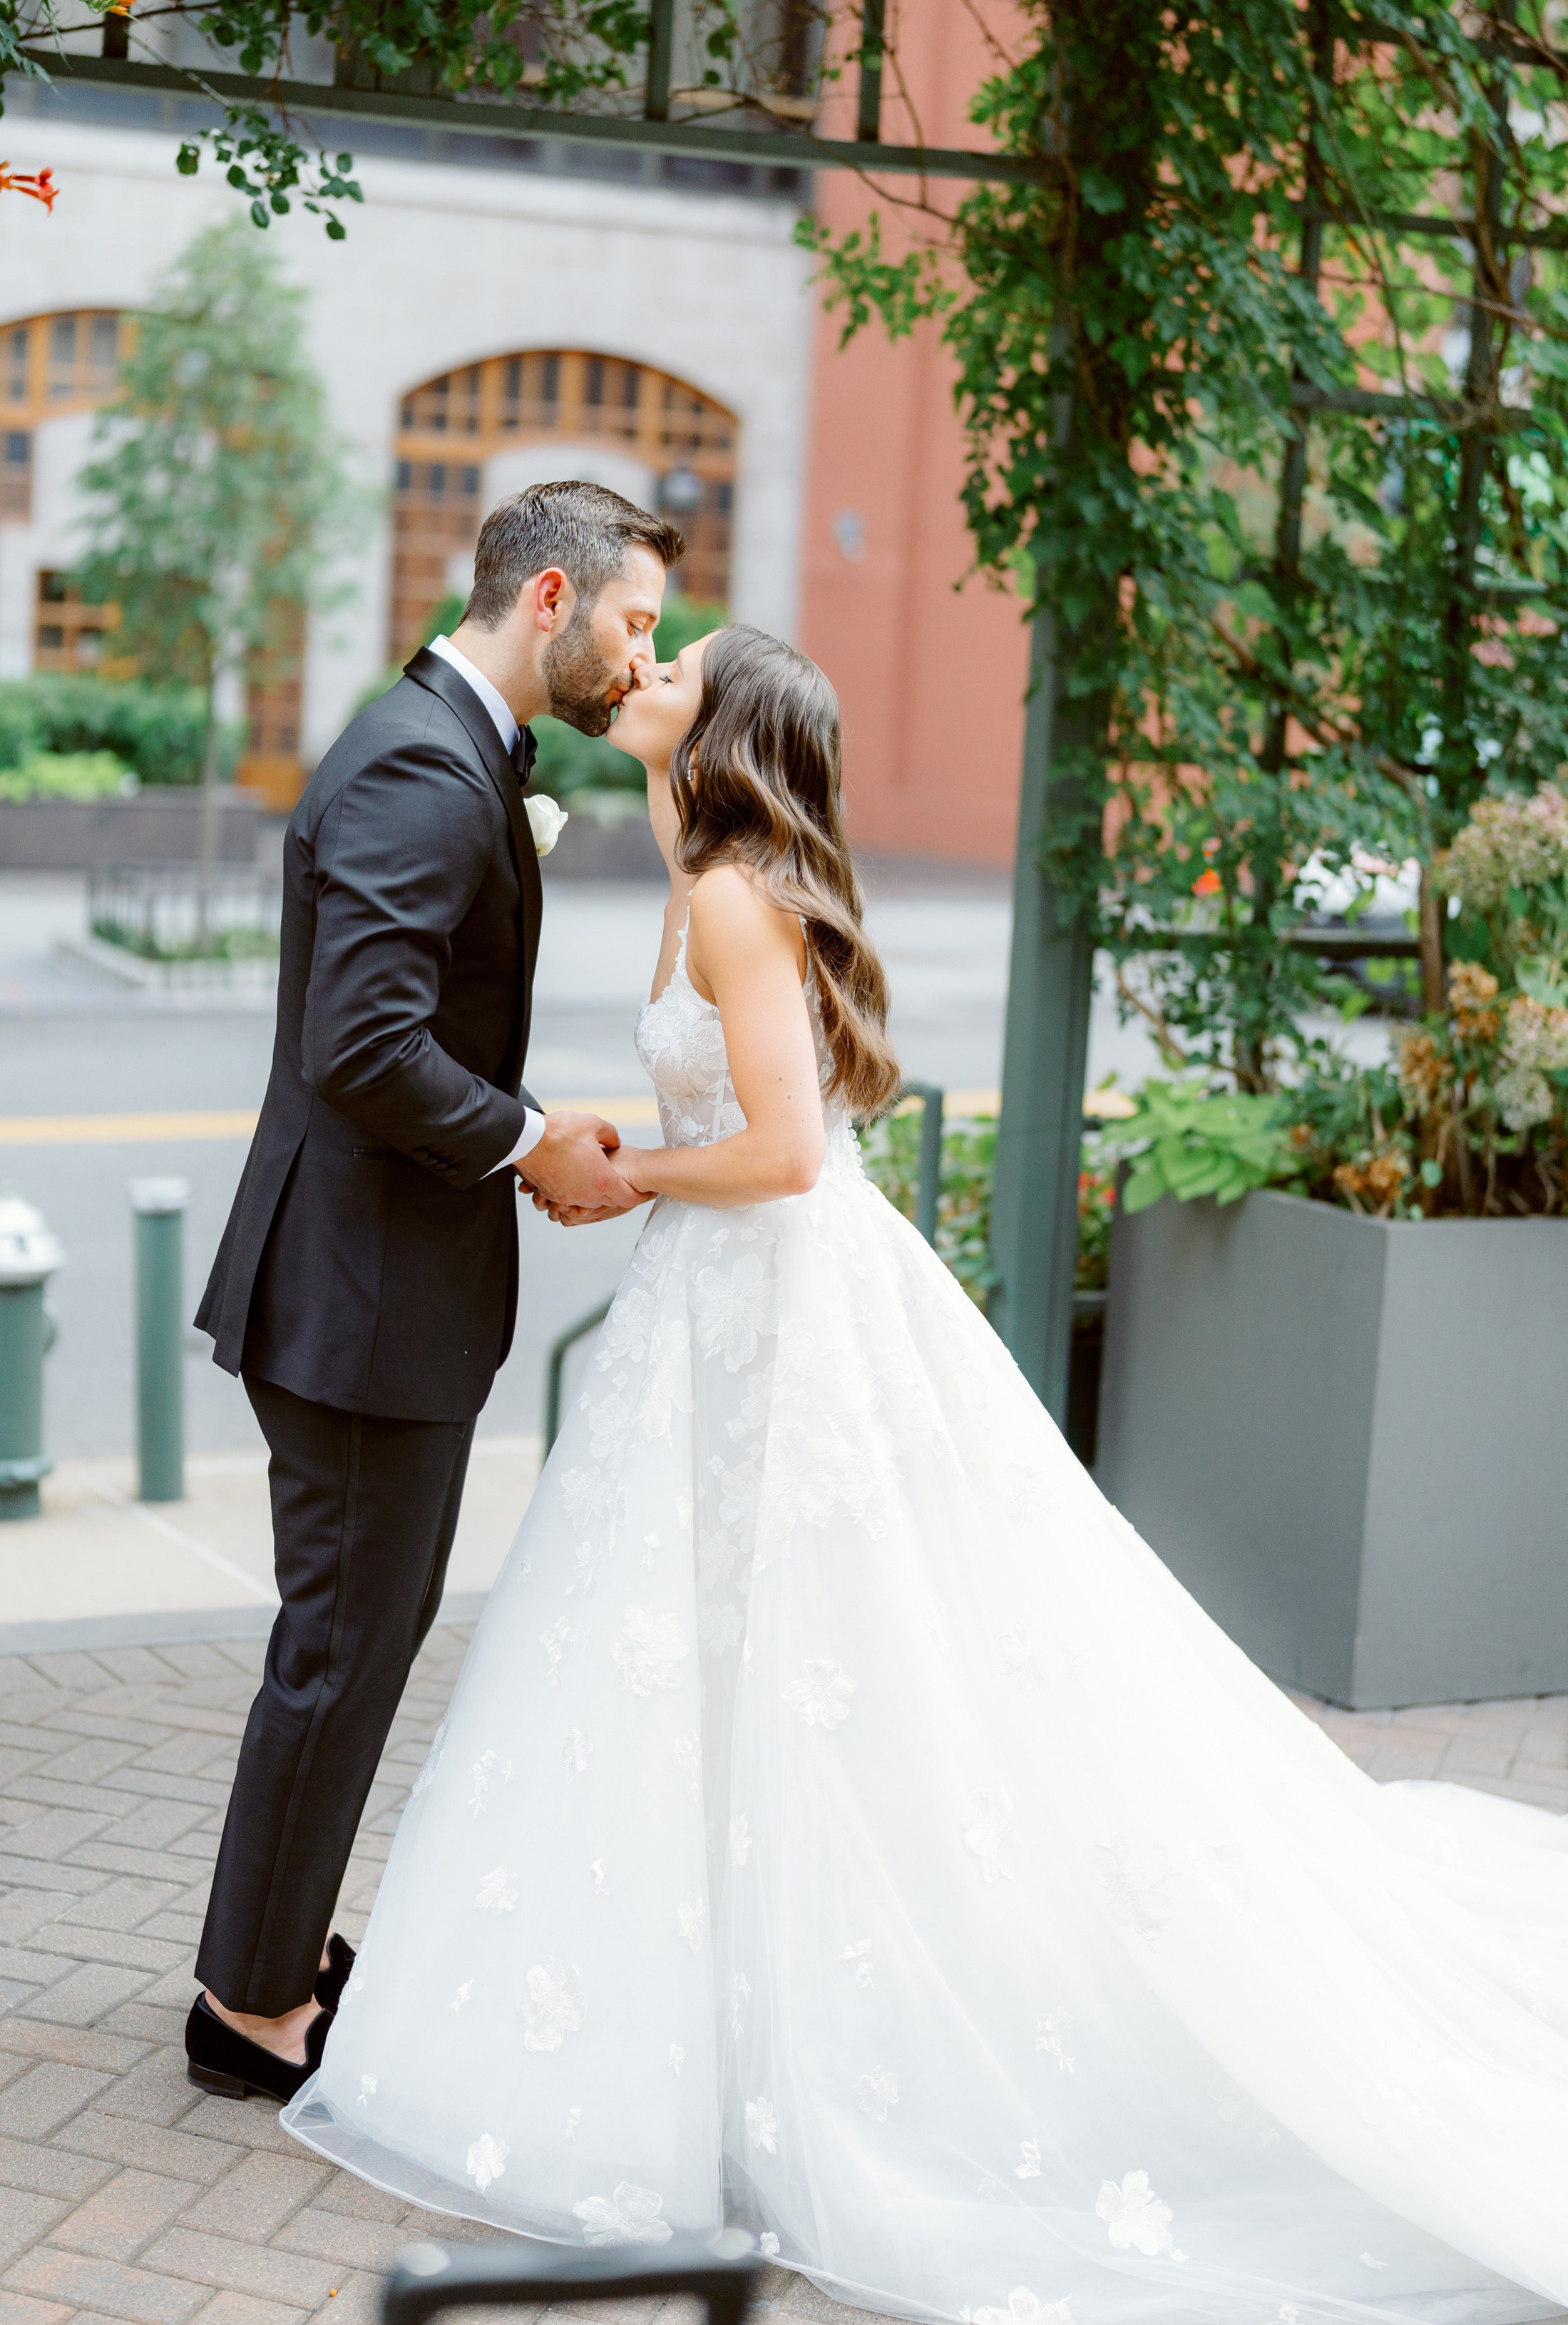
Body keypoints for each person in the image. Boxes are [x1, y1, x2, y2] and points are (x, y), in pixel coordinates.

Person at [283, 623, 1568, 2324]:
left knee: (803, 1655)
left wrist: (624, 1177)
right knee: (707, 1651)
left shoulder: (735, 895)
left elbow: (785, 1154)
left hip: (769, 1317)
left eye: (675, 664)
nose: (641, 665)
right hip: (713, 1311)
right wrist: (592, 1135)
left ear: (720, 727)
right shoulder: (703, 875)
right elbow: (730, 1091)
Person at [185, 481, 684, 2103]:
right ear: (551, 601)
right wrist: (531, 1141)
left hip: (374, 1289)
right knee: (340, 1649)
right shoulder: (422, 764)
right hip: (354, 1301)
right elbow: (365, 1047)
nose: (641, 654)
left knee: (360, 1637)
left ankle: (275, 1949)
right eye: (632, 622)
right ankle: (247, 2006)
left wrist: (523, 1130)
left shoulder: (443, 744)